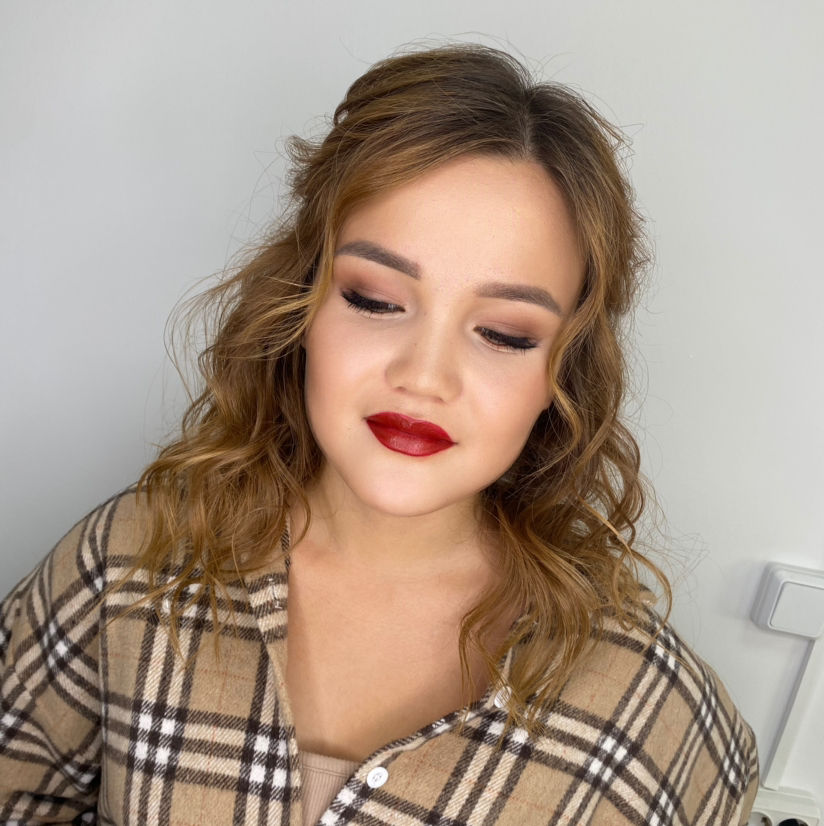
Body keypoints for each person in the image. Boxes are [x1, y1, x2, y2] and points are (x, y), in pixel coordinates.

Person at [0, 44, 758, 825]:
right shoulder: (134, 562)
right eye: (374, 299)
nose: (424, 376)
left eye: (503, 333)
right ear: (302, 305)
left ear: (562, 376)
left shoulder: (646, 704)